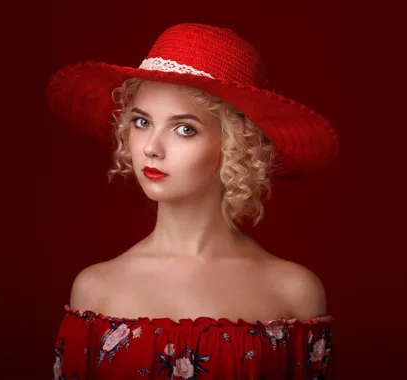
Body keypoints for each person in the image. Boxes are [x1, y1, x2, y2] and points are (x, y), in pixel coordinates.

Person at [47, 23, 339, 380]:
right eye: (141, 122)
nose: (152, 147)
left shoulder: (294, 294)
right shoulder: (95, 291)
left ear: (235, 146)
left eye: (184, 128)